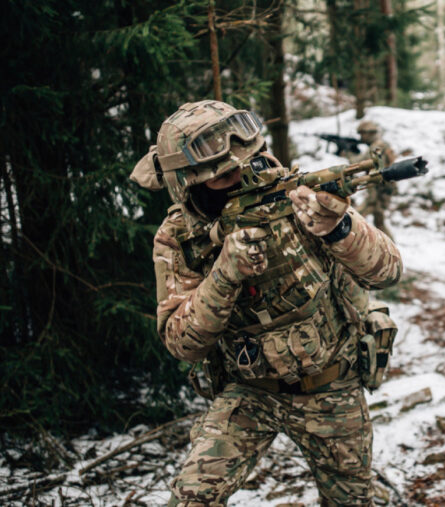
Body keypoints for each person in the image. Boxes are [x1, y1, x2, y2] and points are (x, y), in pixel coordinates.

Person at [130, 100, 402, 506]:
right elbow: (181, 343)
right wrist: (226, 273)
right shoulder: (178, 238)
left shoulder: (294, 195)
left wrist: (339, 228)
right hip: (248, 392)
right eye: (223, 178)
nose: (241, 181)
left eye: (247, 163)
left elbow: (389, 272)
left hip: (330, 384)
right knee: (191, 499)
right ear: (189, 185)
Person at [342, 121, 397, 239]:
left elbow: (358, 164)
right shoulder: (383, 144)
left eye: (362, 134)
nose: (361, 138)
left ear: (369, 133)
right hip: (382, 188)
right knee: (379, 222)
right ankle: (393, 249)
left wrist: (348, 153)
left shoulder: (376, 146)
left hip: (379, 190)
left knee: (355, 217)